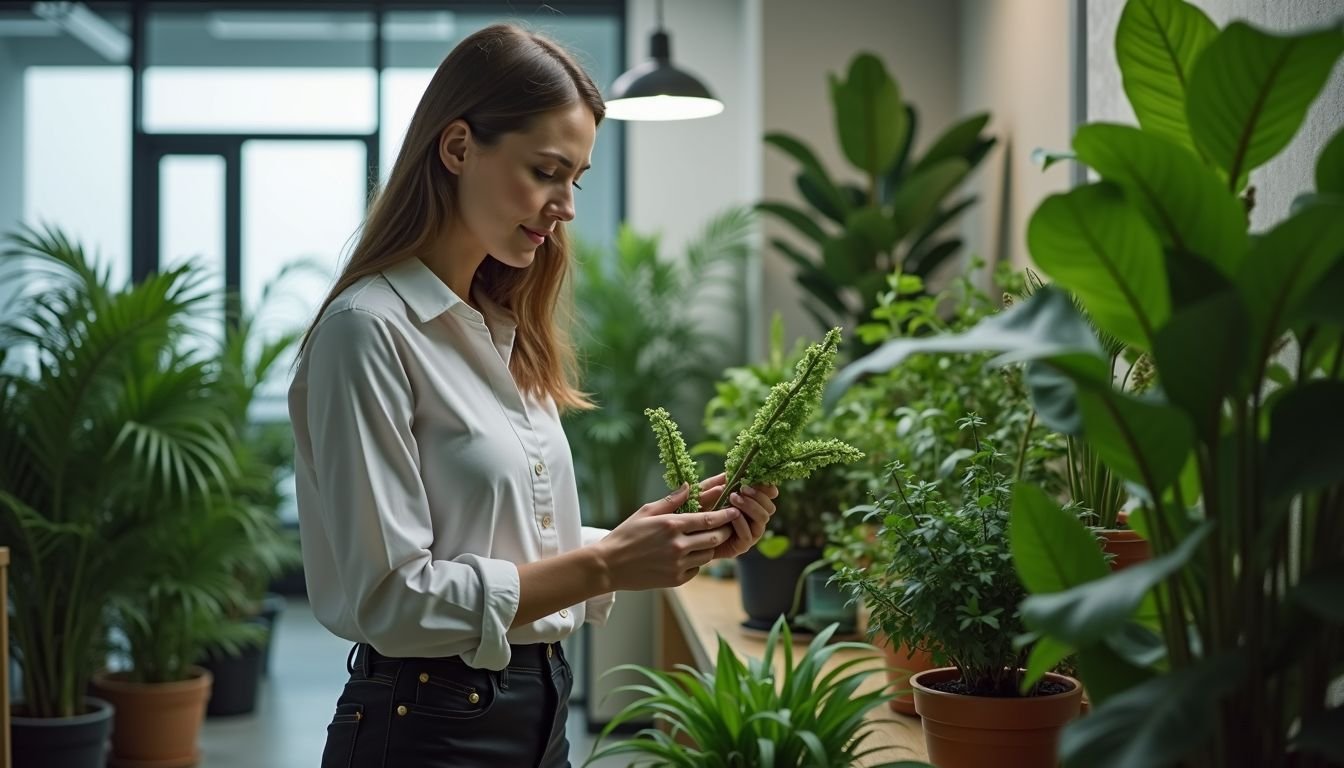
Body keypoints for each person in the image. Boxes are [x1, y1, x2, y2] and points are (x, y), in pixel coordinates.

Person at [287, 23, 779, 768]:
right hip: (426, 729)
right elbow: (390, 598)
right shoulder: (367, 332)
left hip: (538, 712)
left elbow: (500, 545)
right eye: (548, 171)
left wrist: (647, 541)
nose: (566, 205)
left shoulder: (502, 330)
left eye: (575, 179)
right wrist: (607, 566)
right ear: (457, 148)